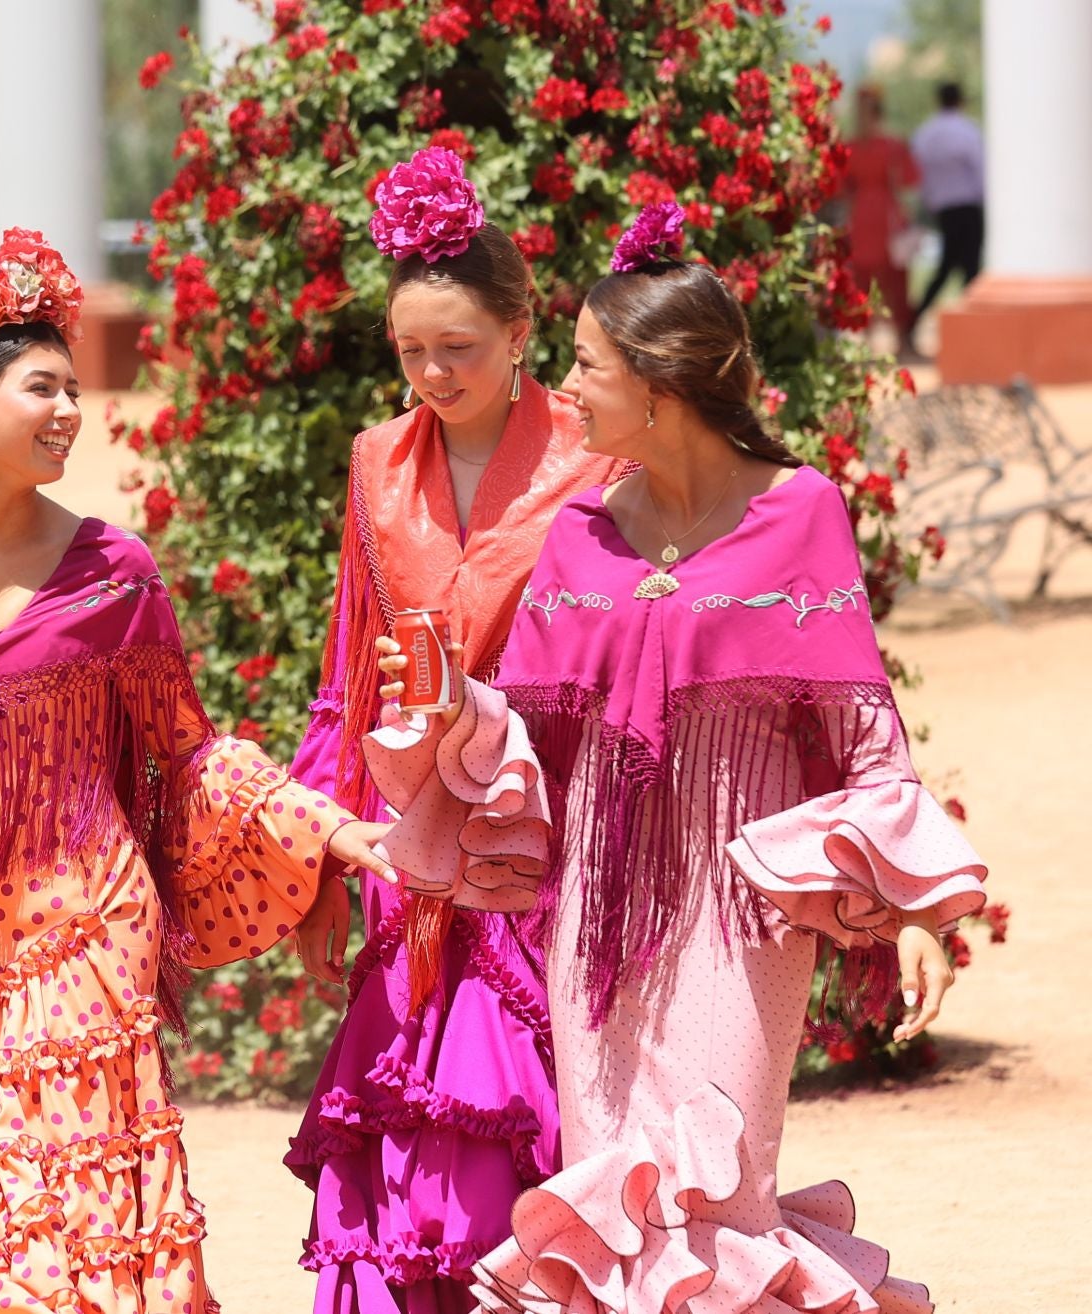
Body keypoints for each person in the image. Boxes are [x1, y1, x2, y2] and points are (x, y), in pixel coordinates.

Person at [367, 203, 989, 1314]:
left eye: (587, 365)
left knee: (714, 1188)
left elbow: (862, 732)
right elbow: (533, 739)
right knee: (614, 1190)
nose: (567, 388)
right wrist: (453, 706)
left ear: (659, 386)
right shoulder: (580, 535)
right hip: (596, 921)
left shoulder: (801, 513)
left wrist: (918, 914)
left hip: (741, 913)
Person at [0, 228, 396, 1312]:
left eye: (75, 389)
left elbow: (186, 750)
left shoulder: (115, 572)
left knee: (60, 1197)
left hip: (89, 918)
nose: (72, 411)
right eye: (44, 389)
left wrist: (323, 829)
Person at [282, 144, 620, 1314]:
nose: (431, 372)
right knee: (406, 1122)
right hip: (409, 845)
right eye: (410, 350)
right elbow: (346, 681)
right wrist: (321, 858)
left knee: (543, 1123)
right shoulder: (378, 462)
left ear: (525, 324)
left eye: (457, 349)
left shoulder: (600, 453)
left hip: (557, 836)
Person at [843, 86, 921, 346]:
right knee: (892, 280)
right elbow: (910, 180)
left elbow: (840, 188)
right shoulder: (893, 145)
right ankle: (899, 338)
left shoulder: (851, 147)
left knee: (865, 278)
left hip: (861, 214)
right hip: (885, 215)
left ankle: (866, 339)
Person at [910, 82, 986, 343]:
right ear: (960, 101)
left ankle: (916, 319)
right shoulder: (967, 130)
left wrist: (930, 201)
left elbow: (919, 173)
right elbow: (981, 170)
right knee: (971, 267)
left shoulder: (926, 133)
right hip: (968, 206)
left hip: (943, 209)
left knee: (945, 268)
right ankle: (971, 327)